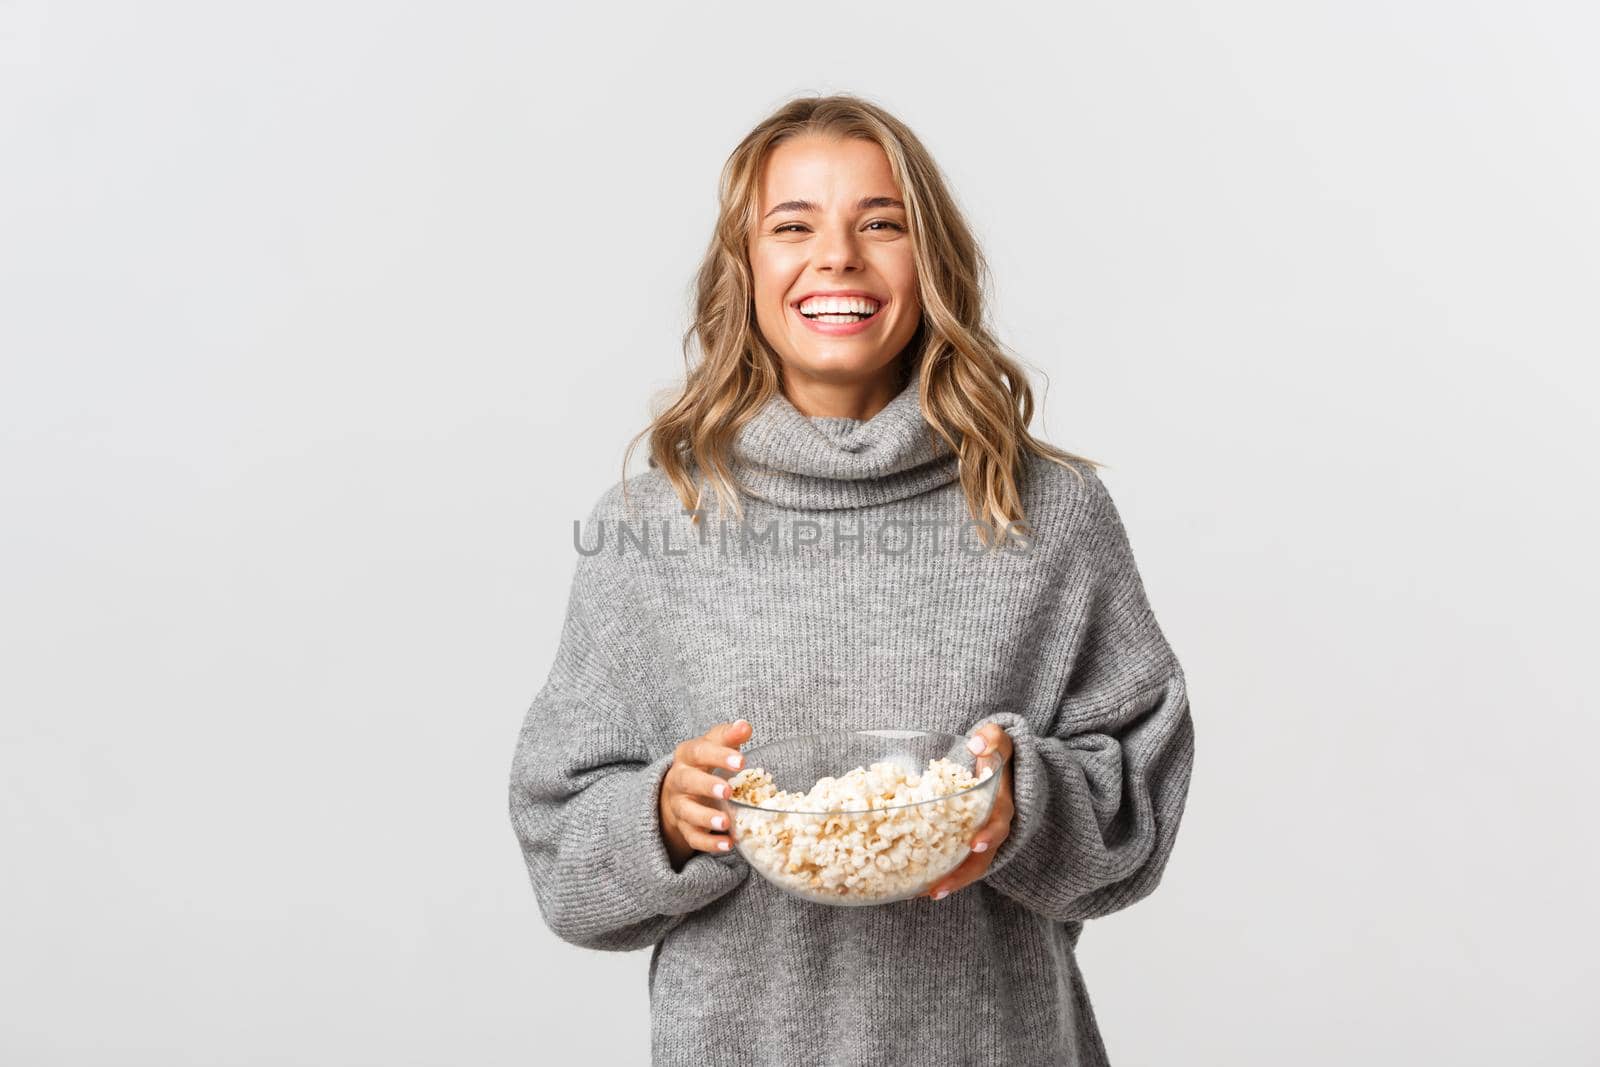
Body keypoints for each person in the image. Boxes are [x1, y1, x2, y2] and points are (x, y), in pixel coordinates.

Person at [507, 93, 1196, 1066]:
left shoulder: (1046, 512)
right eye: (793, 226)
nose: (837, 256)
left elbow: (1139, 804)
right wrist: (663, 814)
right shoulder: (653, 524)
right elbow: (561, 851)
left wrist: (1022, 802)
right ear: (743, 271)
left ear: (932, 262)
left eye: (881, 223)